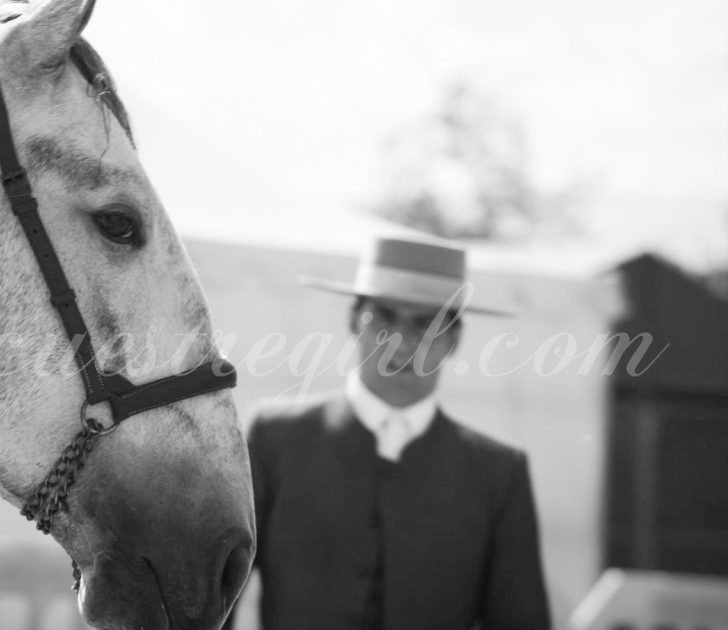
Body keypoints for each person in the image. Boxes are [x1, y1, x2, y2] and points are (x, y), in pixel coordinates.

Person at [230, 234, 551, 630]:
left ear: (454, 340)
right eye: (383, 315)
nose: (401, 341)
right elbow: (220, 595)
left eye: (426, 323)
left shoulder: (499, 473)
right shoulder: (274, 439)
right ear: (354, 320)